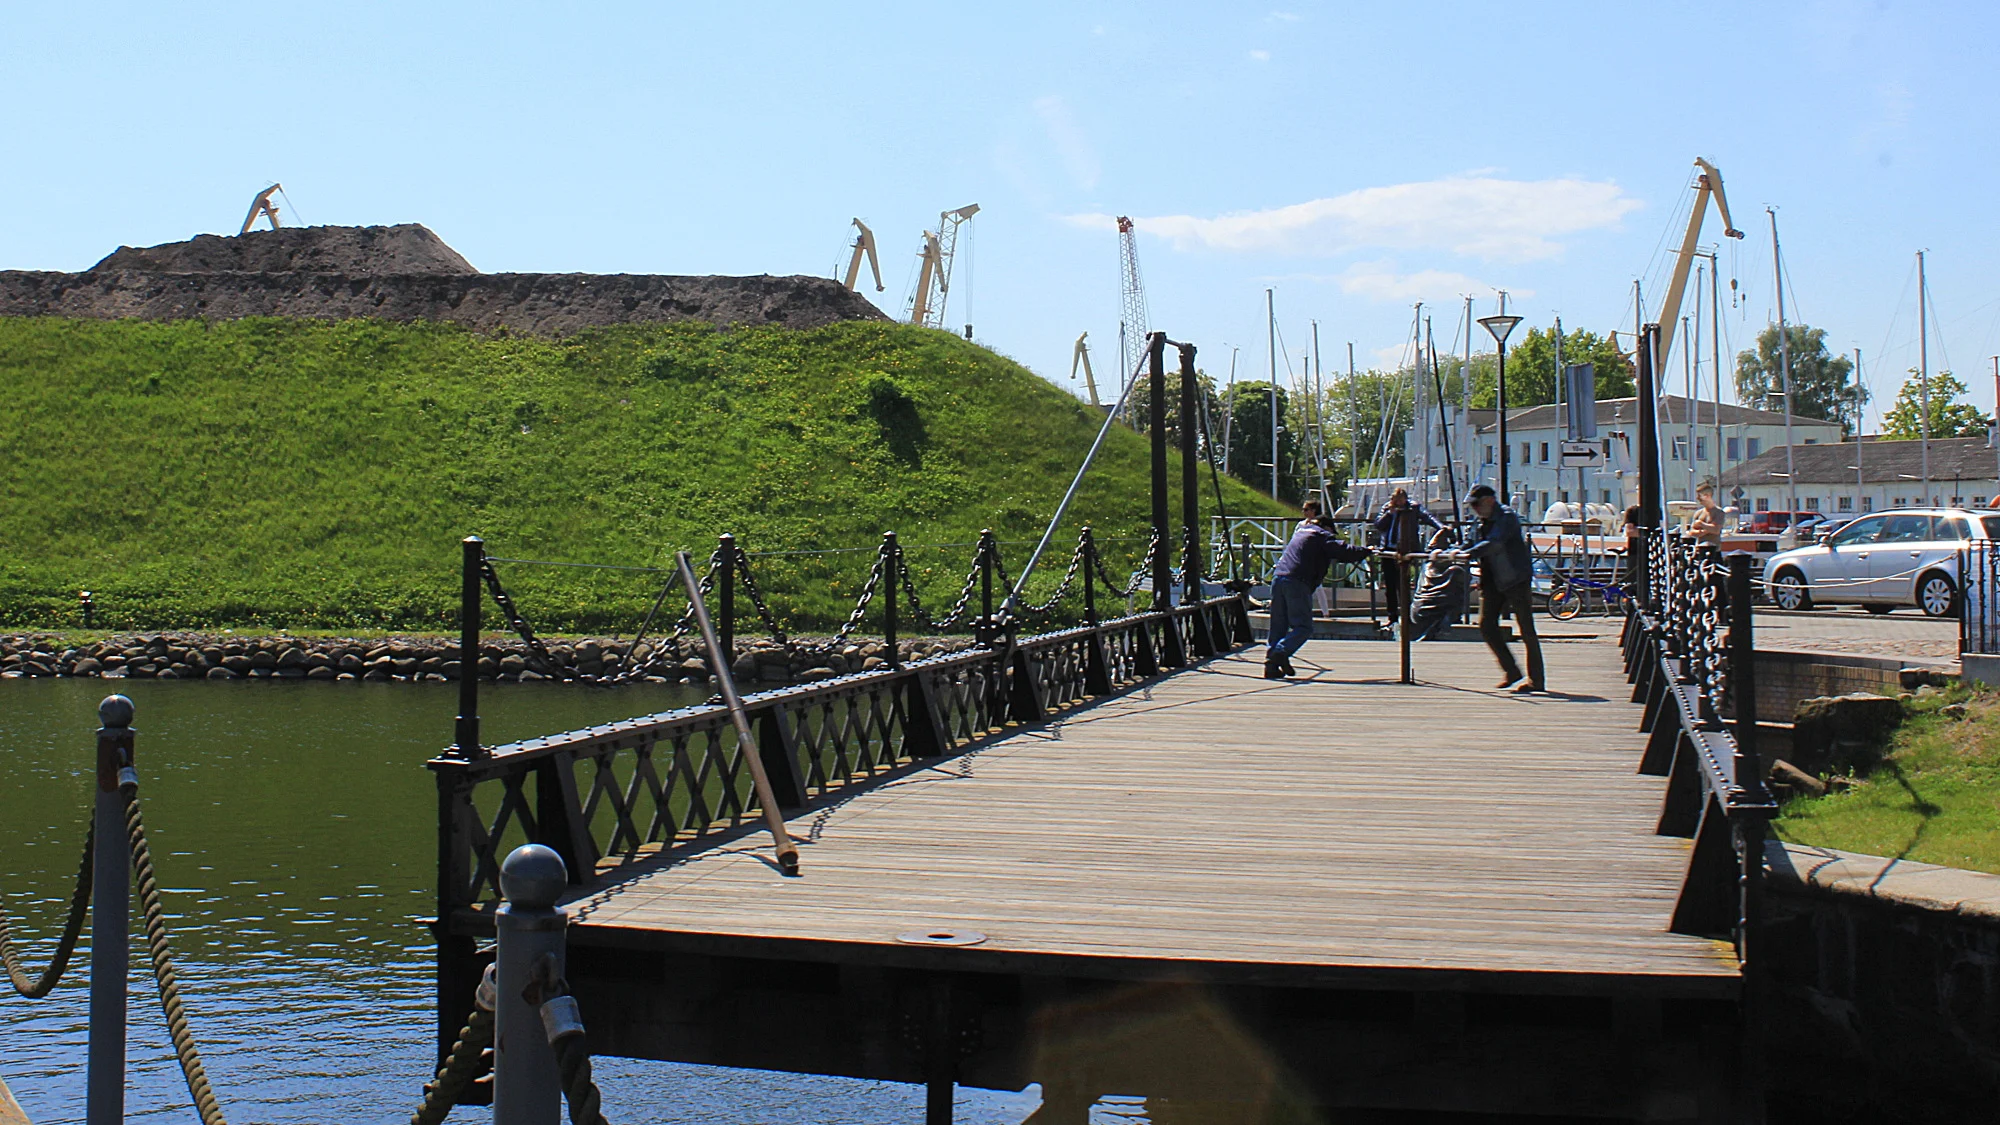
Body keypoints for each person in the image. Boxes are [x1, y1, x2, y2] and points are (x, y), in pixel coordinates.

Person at [1451, 484, 1545, 692]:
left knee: (1527, 629)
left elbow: (1495, 543)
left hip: (1515, 579)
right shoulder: (1480, 520)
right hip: (1492, 579)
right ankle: (1511, 671)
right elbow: (1468, 543)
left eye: (1476, 504)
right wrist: (1451, 551)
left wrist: (1470, 554)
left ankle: (1536, 680)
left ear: (1489, 501)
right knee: (1486, 625)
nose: (1474, 509)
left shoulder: (1507, 517)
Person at [1265, 500, 1372, 679]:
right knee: (1304, 627)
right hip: (1297, 581)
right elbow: (1343, 551)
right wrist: (1366, 551)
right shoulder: (1321, 535)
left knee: (1278, 625)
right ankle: (1280, 653)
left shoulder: (1301, 533)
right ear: (1326, 527)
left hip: (1279, 577)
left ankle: (1272, 664)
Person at [1372, 487, 1443, 627]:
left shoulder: (1413, 508)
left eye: (1400, 499)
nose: (1398, 502)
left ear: (1405, 498)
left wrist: (1440, 527)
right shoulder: (1387, 508)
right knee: (1390, 586)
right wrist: (1389, 513)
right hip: (1388, 550)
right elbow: (1378, 525)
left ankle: (1407, 615)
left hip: (1405, 550)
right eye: (1395, 499)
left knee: (1403, 584)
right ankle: (1392, 616)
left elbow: (1428, 517)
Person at [1407, 526, 1470, 642]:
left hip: (1419, 610)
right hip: (1434, 609)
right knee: (1457, 582)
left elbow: (1432, 549)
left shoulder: (1428, 566)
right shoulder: (1454, 571)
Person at [1689, 482, 1725, 546]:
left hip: (1714, 550)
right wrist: (1707, 530)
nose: (1697, 498)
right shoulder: (1698, 513)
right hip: (1699, 549)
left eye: (1699, 496)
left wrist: (1701, 524)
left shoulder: (1719, 512)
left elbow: (1716, 530)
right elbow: (1692, 532)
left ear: (1707, 496)